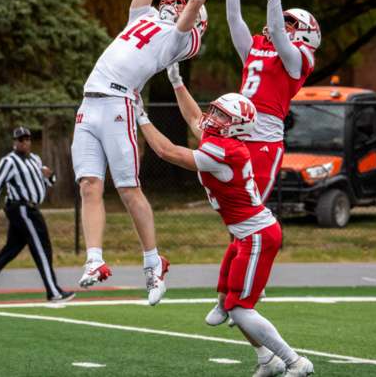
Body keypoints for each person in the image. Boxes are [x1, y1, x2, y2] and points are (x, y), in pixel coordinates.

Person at [71, 0, 233, 306]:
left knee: (128, 189)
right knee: (89, 184)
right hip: (90, 102)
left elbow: (196, 2)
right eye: (173, 1)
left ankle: (151, 260)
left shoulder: (178, 38)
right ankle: (95, 260)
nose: (174, 2)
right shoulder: (141, 17)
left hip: (119, 104)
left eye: (180, 4)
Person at [175, 0, 320, 333]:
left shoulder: (299, 60)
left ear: (304, 34)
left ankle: (235, 293)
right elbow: (234, 19)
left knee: (247, 215)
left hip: (265, 143)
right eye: (285, 22)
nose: (282, 27)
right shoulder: (261, 48)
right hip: (237, 135)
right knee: (231, 213)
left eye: (291, 24)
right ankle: (234, 289)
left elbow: (274, 29)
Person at [134, 94, 314, 377]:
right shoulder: (219, 140)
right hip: (244, 234)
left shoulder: (226, 151)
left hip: (257, 234)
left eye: (222, 116)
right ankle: (266, 357)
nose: (213, 118)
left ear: (237, 127)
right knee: (227, 297)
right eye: (215, 111)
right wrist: (176, 81)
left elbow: (167, 152)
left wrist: (141, 117)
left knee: (241, 308)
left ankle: (295, 362)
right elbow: (194, 118)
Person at [0, 126, 74, 305]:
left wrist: (51, 176)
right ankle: (53, 291)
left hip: (31, 208)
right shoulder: (9, 161)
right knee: (42, 247)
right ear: (15, 142)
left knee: (11, 249)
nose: (24, 142)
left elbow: (46, 181)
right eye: (21, 140)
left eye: (27, 139)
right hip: (22, 208)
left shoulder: (35, 159)